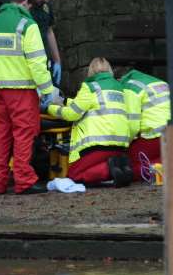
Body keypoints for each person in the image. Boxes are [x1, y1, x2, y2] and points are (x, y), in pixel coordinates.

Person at [0, 0, 53, 195]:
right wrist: (47, 89)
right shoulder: (27, 25)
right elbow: (37, 62)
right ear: (25, 4)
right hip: (22, 91)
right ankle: (24, 181)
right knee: (23, 134)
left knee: (1, 135)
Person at [47, 58, 132, 187]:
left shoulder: (90, 87)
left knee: (74, 175)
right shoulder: (120, 88)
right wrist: (65, 101)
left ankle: (108, 170)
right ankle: (120, 167)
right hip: (120, 146)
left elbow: (72, 114)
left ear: (90, 71)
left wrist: (49, 108)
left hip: (97, 146)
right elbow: (93, 104)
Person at [120, 69, 170, 182]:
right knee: (161, 158)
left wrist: (124, 143)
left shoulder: (130, 88)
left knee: (129, 163)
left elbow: (132, 125)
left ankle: (154, 171)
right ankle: (169, 167)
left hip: (153, 137)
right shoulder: (160, 83)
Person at [28, 0, 62, 86]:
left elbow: (49, 32)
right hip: (28, 60)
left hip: (43, 59)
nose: (46, 0)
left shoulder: (46, 7)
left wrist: (57, 61)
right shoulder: (23, 5)